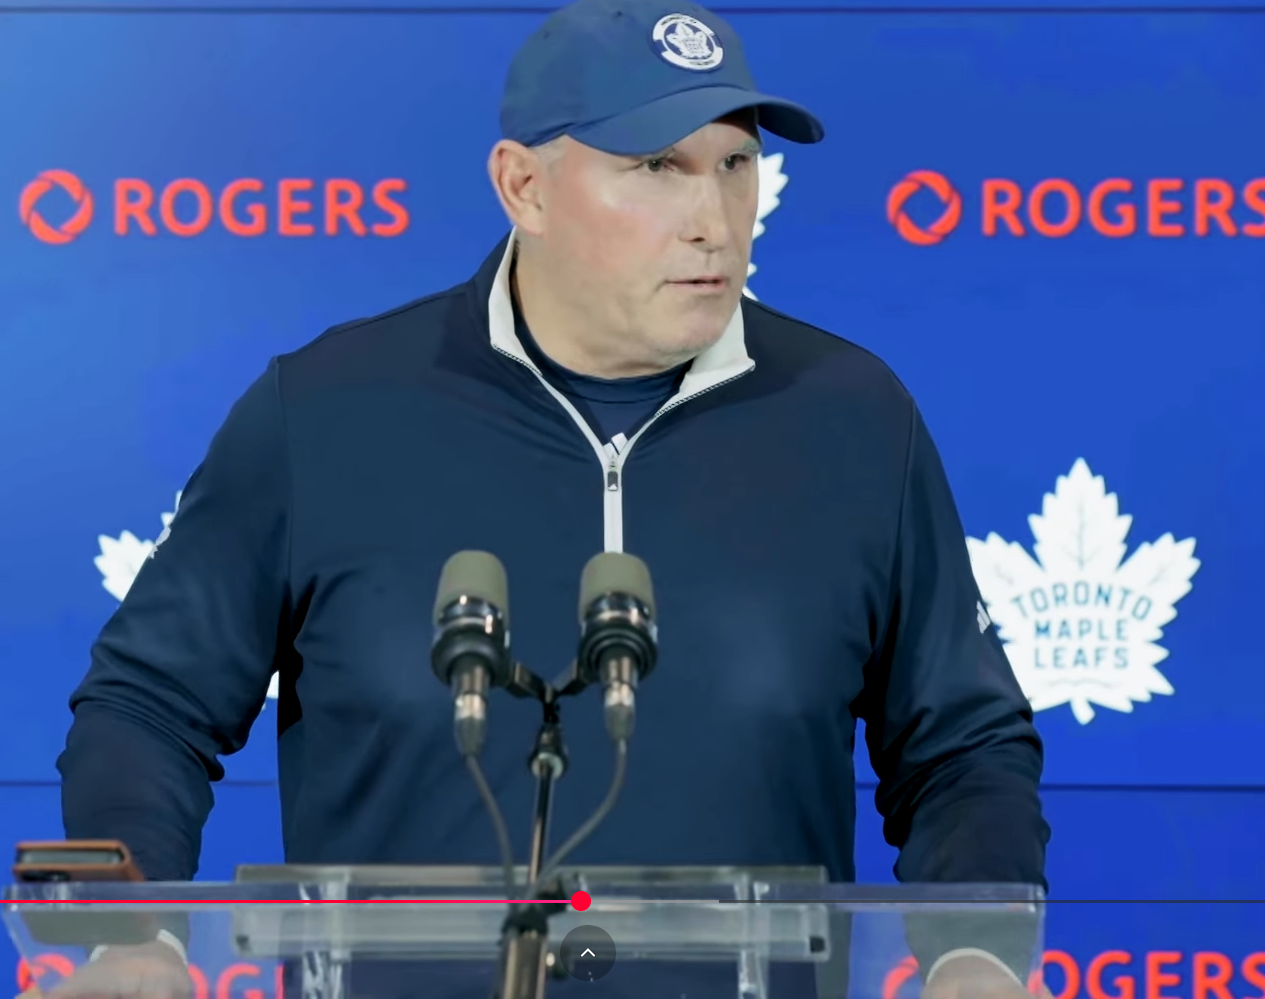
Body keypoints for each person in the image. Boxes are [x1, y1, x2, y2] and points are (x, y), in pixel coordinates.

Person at [45, 0, 1050, 997]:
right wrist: (133, 938)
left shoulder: (852, 418)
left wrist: (974, 952)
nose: (713, 221)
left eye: (734, 165)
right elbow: (149, 706)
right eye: (656, 167)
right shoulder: (323, 413)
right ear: (522, 186)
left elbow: (961, 746)